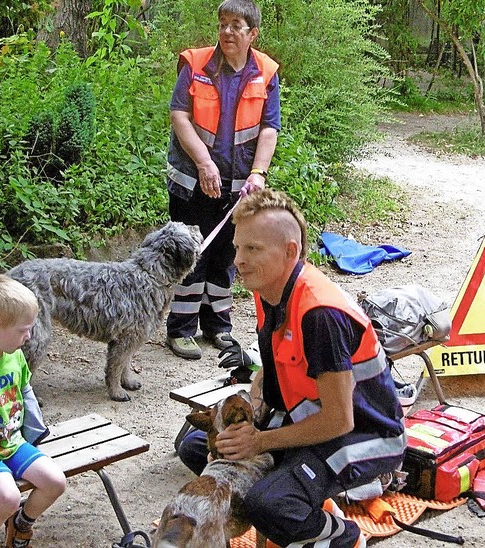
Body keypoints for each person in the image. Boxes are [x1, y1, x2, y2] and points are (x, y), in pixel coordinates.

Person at [178, 189, 406, 548]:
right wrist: (253, 406)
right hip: (307, 421)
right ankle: (304, 493)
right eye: (238, 248)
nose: (238, 260)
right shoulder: (268, 287)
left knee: (267, 505)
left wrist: (260, 441)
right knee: (197, 444)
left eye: (252, 249)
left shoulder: (320, 314)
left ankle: (344, 535)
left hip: (363, 435)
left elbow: (339, 420)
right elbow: (274, 364)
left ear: (290, 252)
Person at [165, 0, 281, 360]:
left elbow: (269, 128)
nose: (227, 31)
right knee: (190, 255)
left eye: (235, 25)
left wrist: (258, 174)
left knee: (227, 256)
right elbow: (179, 116)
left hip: (238, 186)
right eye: (222, 24)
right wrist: (204, 163)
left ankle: (218, 327)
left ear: (253, 34)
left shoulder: (266, 72)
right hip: (192, 181)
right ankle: (181, 330)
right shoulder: (197, 64)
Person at [0, 275, 66, 548]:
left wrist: (34, 429)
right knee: (7, 497)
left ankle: (21, 523)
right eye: (23, 330)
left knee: (55, 481)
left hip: (12, 443)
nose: (29, 336)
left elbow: (25, 394)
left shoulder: (15, 357)